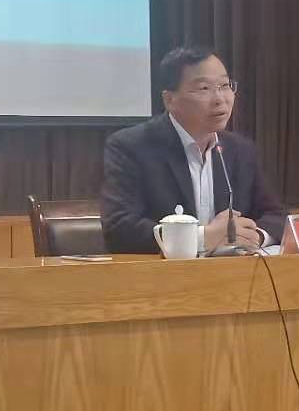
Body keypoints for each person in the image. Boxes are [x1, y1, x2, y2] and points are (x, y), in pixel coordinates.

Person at [100, 45, 285, 255]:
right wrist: (203, 238)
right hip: (164, 273)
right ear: (170, 100)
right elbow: (119, 229)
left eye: (225, 85)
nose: (220, 99)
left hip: (234, 271)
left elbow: (276, 215)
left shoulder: (240, 150)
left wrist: (255, 236)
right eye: (204, 88)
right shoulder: (132, 147)